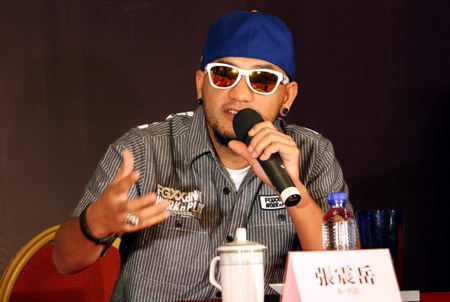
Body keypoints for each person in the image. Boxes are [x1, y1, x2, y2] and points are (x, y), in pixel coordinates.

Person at [53, 11, 351, 301]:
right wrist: (94, 224)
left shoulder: (314, 153)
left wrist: (294, 192)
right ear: (201, 84)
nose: (241, 94)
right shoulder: (143, 150)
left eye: (262, 79)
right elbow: (64, 261)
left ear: (287, 96)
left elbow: (346, 276)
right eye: (224, 75)